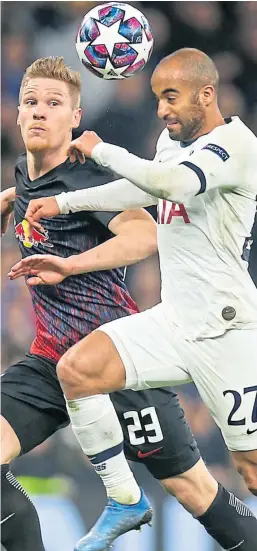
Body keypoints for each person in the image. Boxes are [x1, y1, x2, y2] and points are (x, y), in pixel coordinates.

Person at [8, 52, 257, 551]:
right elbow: (122, 193)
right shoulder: (31, 176)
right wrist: (44, 203)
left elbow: (160, 209)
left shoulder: (231, 146)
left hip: (202, 337)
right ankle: (122, 500)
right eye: (29, 102)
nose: (163, 109)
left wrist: (100, 155)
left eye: (172, 96)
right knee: (73, 372)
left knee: (223, 480)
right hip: (113, 339)